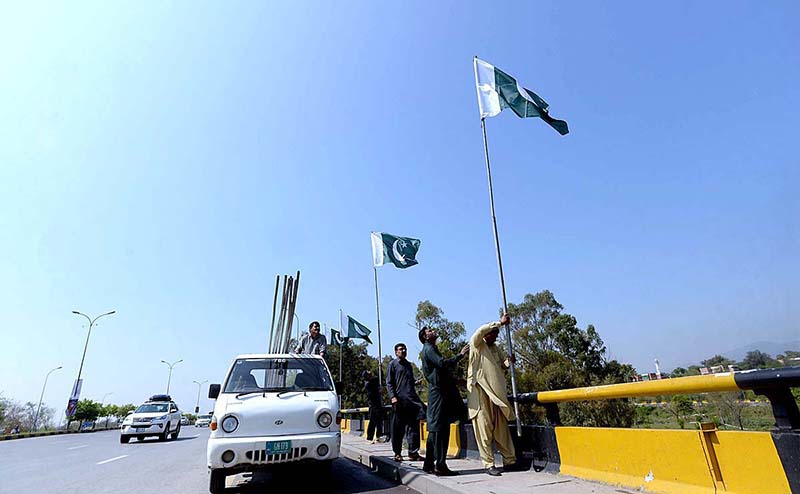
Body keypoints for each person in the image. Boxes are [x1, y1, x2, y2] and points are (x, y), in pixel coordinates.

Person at [467, 313, 520, 476]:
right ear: (487, 334)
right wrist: (500, 323)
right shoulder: (477, 344)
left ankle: (509, 460)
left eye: (496, 336)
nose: (494, 338)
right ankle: (489, 464)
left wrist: (509, 362)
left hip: (497, 393)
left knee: (501, 429)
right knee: (484, 428)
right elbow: (480, 331)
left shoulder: (495, 348)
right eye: (493, 334)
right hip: (480, 391)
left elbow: (502, 365)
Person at [419, 326, 469, 476]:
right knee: (441, 429)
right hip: (439, 394)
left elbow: (439, 372)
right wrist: (460, 355)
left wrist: (455, 381)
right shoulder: (429, 349)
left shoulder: (429, 349)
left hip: (438, 392)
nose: (433, 331)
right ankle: (440, 465)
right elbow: (442, 363)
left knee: (434, 430)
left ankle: (429, 464)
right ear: (425, 337)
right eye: (429, 331)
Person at [386, 342, 424, 462]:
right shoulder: (393, 364)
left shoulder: (409, 365)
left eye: (404, 349)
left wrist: (415, 382)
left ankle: (413, 452)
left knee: (413, 428)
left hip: (410, 401)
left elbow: (409, 381)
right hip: (399, 402)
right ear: (396, 352)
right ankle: (397, 453)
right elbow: (389, 382)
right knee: (398, 429)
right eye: (400, 349)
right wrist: (393, 396)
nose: (403, 351)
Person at [362, 370, 385, 443]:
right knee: (373, 421)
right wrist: (379, 390)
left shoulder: (373, 381)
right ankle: (369, 438)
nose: (370, 372)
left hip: (377, 403)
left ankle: (378, 436)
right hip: (373, 404)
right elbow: (374, 392)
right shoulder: (368, 384)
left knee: (379, 421)